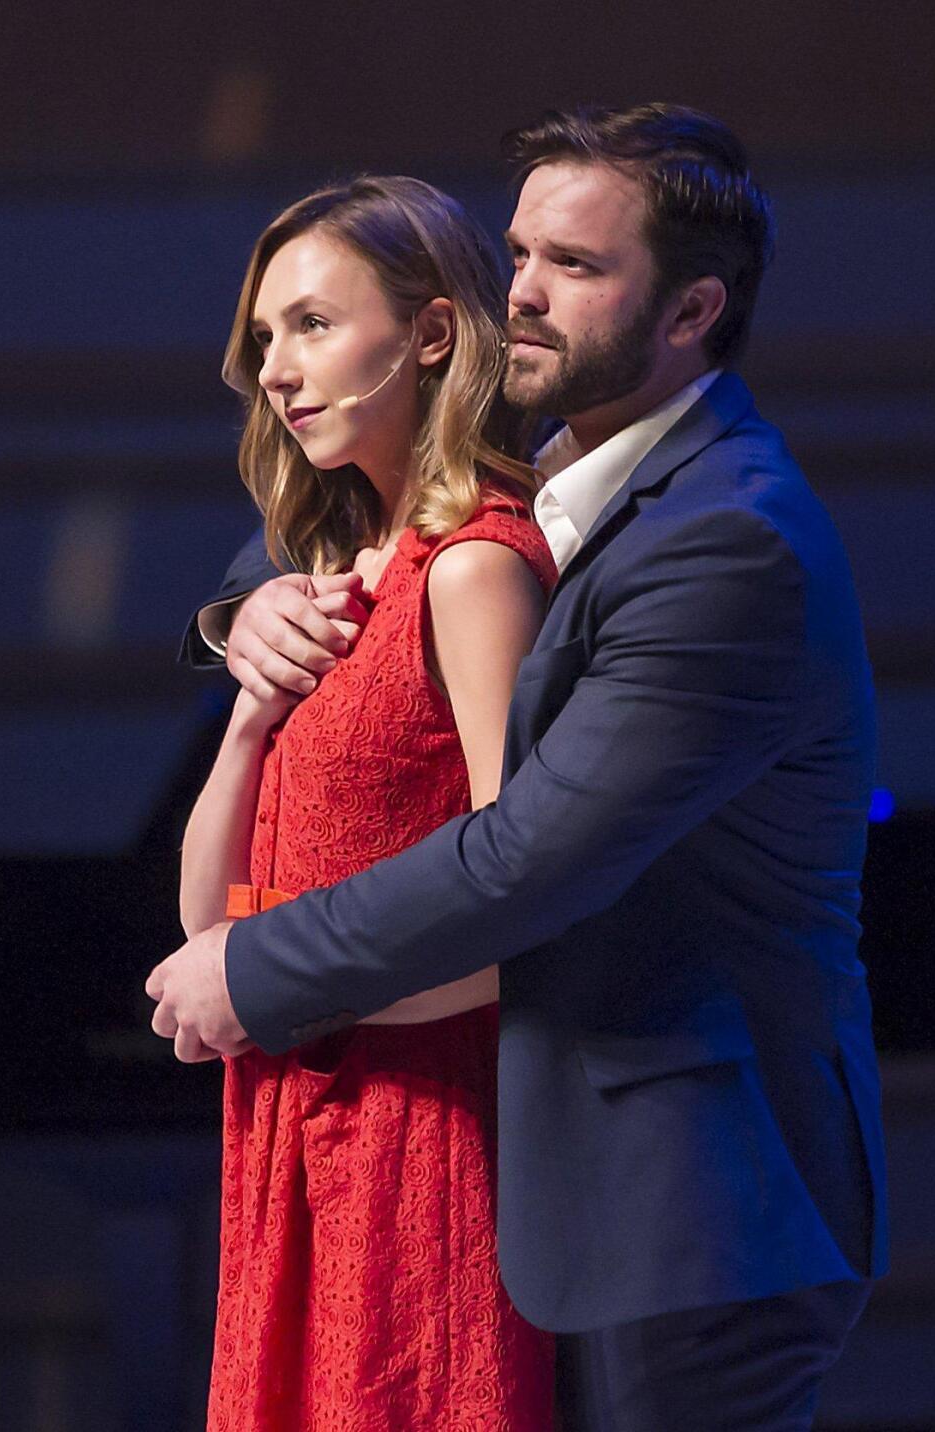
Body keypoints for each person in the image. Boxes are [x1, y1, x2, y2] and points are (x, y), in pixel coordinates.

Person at [151, 103, 888, 1431]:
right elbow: (343, 548)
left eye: (577, 267)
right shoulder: (565, 484)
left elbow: (530, 855)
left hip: (686, 1203)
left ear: (691, 310)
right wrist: (233, 622)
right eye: (520, 253)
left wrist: (256, 972)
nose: (524, 294)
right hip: (545, 1166)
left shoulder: (732, 541)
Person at [178, 174, 556, 1430]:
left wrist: (290, 985)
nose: (276, 370)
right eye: (265, 336)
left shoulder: (476, 566)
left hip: (417, 1127)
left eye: (314, 325)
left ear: (434, 334)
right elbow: (211, 918)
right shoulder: (329, 576)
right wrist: (246, 717)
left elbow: (531, 910)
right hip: (289, 1121)